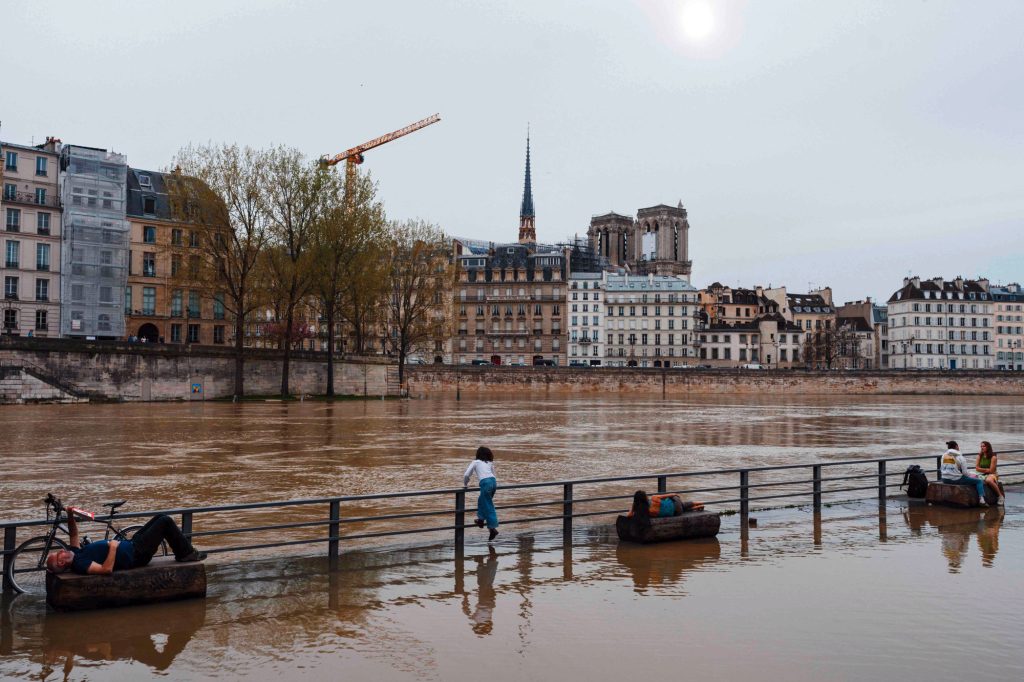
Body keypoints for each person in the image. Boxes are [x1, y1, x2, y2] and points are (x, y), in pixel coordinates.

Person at [46, 510, 206, 575]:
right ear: (61, 563)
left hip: (132, 544)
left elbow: (73, 533)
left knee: (160, 517)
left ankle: (184, 552)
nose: (61, 550)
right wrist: (113, 548)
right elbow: (106, 569)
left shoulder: (76, 553)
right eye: (58, 553)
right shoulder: (80, 564)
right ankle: (186, 554)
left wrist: (70, 513)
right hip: (136, 555)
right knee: (165, 521)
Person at [464, 446, 499, 542]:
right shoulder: (490, 463)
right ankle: (480, 520)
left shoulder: (475, 462)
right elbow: (494, 475)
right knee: (482, 501)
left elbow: (467, 475)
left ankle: (492, 529)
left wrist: (465, 484)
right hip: (493, 483)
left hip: (486, 483)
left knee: (488, 505)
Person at [940, 440, 987, 507]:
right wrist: (971, 475)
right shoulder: (960, 457)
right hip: (956, 479)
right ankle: (982, 500)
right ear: (956, 446)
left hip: (944, 479)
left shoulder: (943, 456)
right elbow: (965, 473)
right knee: (979, 481)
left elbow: (942, 467)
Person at [975, 440, 1003, 506]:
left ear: (988, 447)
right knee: (971, 478)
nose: (982, 448)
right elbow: (976, 468)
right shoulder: (979, 456)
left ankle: (1000, 496)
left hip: (992, 474)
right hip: (980, 473)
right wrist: (986, 470)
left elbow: (991, 471)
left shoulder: (993, 457)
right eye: (981, 446)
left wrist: (981, 469)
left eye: (984, 446)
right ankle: (981, 498)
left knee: (988, 480)